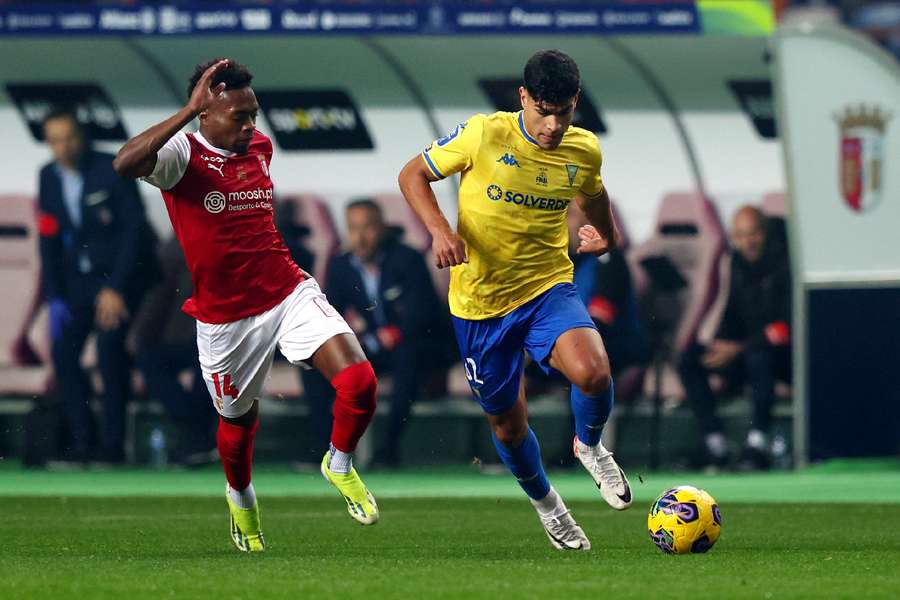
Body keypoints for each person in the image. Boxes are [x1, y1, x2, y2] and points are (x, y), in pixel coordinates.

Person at [113, 58, 379, 552]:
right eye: (239, 116)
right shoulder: (180, 155)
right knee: (239, 422)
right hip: (225, 319)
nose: (251, 125)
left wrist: (232, 119)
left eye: (253, 113)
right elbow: (125, 163)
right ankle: (241, 499)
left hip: (286, 290)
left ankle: (338, 462)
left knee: (360, 383)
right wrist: (186, 110)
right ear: (205, 114)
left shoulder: (259, 147)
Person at [398, 49, 632, 551]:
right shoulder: (484, 134)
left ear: (575, 104)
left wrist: (606, 237)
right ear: (522, 97)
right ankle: (550, 508)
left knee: (594, 372)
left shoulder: (583, 149)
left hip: (547, 286)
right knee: (507, 427)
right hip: (480, 305)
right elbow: (412, 175)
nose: (551, 125)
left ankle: (589, 446)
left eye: (563, 112)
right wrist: (440, 230)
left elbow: (593, 194)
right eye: (542, 110)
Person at [37, 108, 159, 465]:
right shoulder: (47, 177)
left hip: (124, 279)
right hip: (80, 285)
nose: (63, 147)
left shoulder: (111, 167)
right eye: (55, 140)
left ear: (82, 136)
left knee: (109, 348)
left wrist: (116, 288)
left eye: (68, 137)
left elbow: (133, 234)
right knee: (63, 353)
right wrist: (54, 298)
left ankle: (113, 446)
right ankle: (82, 443)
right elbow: (49, 240)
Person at [302, 199, 454, 467]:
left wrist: (380, 337)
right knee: (315, 364)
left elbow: (422, 314)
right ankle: (323, 450)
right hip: (374, 348)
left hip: (416, 346)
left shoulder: (407, 258)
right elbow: (330, 314)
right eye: (353, 229)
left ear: (382, 229)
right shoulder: (341, 265)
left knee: (408, 358)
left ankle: (388, 450)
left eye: (367, 228)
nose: (359, 238)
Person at [677, 205, 791, 470]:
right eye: (739, 236)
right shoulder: (738, 264)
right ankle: (714, 442)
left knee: (758, 357)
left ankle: (758, 442)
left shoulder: (786, 264)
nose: (747, 242)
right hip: (745, 352)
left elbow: (785, 328)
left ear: (766, 233)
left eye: (753, 234)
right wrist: (719, 343)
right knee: (690, 359)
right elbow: (732, 313)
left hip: (783, 358)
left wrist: (738, 349)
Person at [127, 236, 217, 466]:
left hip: (237, 336)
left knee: (209, 363)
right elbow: (159, 293)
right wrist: (139, 333)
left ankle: (196, 440)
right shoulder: (180, 242)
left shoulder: (254, 233)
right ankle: (196, 434)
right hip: (192, 336)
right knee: (151, 360)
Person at [567, 202, 649, 380]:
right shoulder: (565, 260)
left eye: (570, 214)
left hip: (613, 345)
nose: (562, 221)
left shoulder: (609, 260)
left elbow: (600, 317)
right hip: (576, 342)